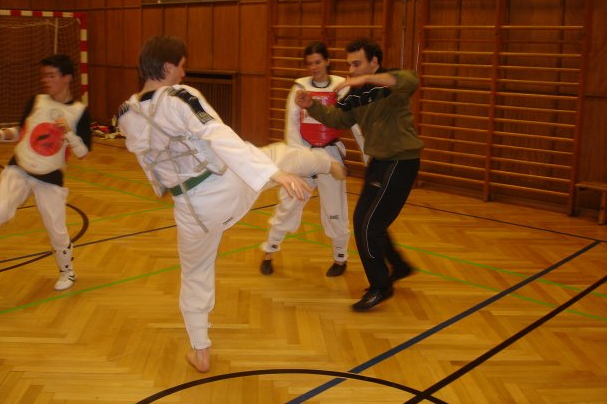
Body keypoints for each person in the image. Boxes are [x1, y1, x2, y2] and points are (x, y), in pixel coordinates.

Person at [117, 35, 346, 373]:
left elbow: (145, 151)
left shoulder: (125, 114)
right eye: (181, 67)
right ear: (167, 67)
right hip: (225, 186)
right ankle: (327, 164)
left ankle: (200, 350)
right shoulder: (180, 97)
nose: (184, 73)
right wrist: (274, 174)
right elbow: (219, 135)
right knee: (278, 155)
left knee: (194, 273)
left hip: (190, 209)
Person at [294, 37, 423, 311]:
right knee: (365, 220)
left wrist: (365, 80)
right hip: (378, 162)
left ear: (374, 62)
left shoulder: (391, 83)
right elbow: (338, 119)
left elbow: (410, 80)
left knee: (369, 226)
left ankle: (380, 287)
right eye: (349, 64)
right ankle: (398, 266)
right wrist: (311, 105)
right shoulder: (355, 94)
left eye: (357, 64)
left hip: (401, 162)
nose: (351, 70)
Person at [0, 55, 92, 306]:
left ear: (66, 78)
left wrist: (68, 132)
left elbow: (83, 152)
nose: (45, 80)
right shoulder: (36, 101)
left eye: (51, 75)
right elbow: (20, 131)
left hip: (50, 177)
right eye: (44, 75)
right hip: (19, 169)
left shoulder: (79, 111)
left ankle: (67, 271)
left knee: (56, 230)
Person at [260, 41, 365, 277]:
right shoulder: (299, 89)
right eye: (309, 64)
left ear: (327, 61)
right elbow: (291, 127)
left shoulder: (341, 87)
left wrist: (369, 157)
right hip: (304, 153)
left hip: (331, 155)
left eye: (318, 62)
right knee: (289, 203)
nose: (314, 67)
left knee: (335, 209)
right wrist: (299, 158)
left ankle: (340, 258)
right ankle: (269, 250)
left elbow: (356, 124)